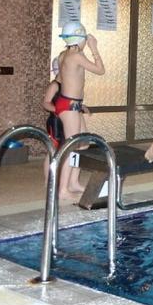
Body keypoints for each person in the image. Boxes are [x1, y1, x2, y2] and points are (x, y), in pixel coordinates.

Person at [55, 21, 105, 200]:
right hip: (69, 106)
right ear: (79, 38)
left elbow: (62, 79)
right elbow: (100, 70)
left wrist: (77, 102)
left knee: (83, 143)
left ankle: (74, 182)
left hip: (70, 103)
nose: (86, 42)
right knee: (71, 147)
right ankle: (63, 190)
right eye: (85, 39)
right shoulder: (76, 56)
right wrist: (94, 48)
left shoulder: (63, 55)